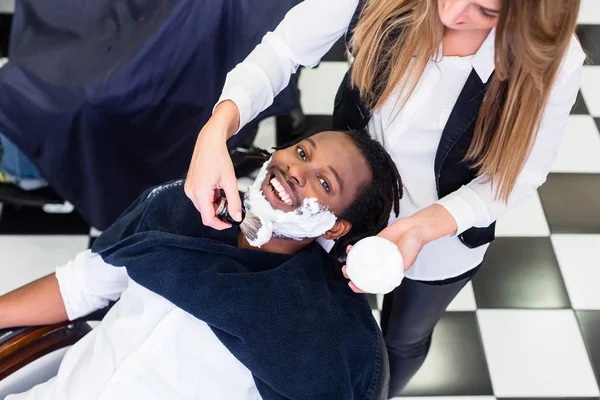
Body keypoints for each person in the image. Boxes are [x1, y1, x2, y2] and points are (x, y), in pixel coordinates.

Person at [184, 0, 586, 394]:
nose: (452, 12)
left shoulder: (554, 59)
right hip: (335, 209)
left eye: (486, 11)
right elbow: (284, 48)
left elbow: (518, 176)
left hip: (442, 239)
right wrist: (217, 128)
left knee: (403, 341)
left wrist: (421, 228)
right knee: (314, 316)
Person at [0, 129, 402, 399]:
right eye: (300, 152)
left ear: (336, 228)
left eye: (324, 182)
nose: (295, 171)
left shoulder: (323, 333)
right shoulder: (182, 207)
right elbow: (82, 284)